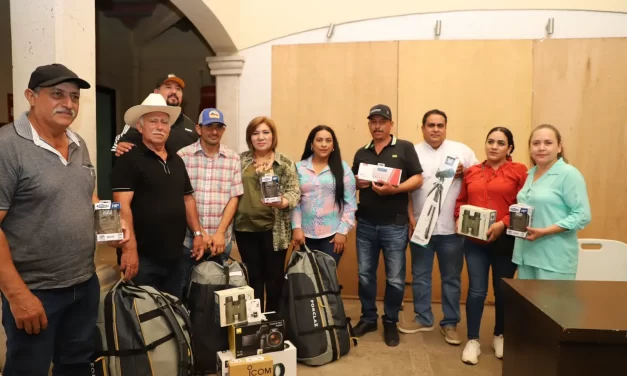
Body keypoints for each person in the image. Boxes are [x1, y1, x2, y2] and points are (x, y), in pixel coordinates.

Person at [0, 63, 131, 375]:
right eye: (57, 94)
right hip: (36, 291)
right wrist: (18, 295)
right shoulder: (8, 146)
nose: (69, 104)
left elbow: (87, 196)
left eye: (74, 97)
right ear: (31, 96)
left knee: (76, 364)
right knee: (28, 368)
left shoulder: (77, 142)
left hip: (83, 283)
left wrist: (111, 225)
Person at [111, 93, 206, 298]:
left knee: (173, 316)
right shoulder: (128, 159)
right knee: (145, 320)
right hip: (142, 258)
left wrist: (197, 234)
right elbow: (121, 206)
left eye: (164, 122)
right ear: (140, 126)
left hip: (175, 257)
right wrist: (129, 249)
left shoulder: (176, 160)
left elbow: (187, 198)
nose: (159, 126)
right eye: (153, 121)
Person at [400, 109, 478, 346]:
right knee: (421, 276)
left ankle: (451, 323)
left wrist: (465, 175)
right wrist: (410, 218)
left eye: (440, 125)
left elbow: (478, 183)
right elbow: (405, 191)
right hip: (421, 227)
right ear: (422, 128)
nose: (435, 129)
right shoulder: (411, 152)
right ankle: (424, 318)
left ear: (446, 127)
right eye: (431, 125)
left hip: (451, 229)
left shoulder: (462, 152)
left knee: (451, 278)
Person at [351, 104, 424, 347]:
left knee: (394, 278)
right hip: (366, 225)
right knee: (364, 275)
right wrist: (357, 183)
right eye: (373, 121)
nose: (377, 126)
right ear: (369, 124)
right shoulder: (362, 152)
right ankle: (368, 317)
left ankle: (390, 320)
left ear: (390, 124)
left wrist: (396, 189)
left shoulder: (404, 147)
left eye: (382, 121)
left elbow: (418, 178)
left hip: (395, 225)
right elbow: (354, 181)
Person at [454, 127, 528, 365]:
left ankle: (500, 335)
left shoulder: (519, 171)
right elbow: (462, 200)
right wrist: (458, 217)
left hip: (505, 240)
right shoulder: (472, 171)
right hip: (475, 241)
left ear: (510, 148)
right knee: (476, 290)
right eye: (490, 141)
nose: (494, 146)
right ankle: (473, 340)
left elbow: (523, 206)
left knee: (502, 290)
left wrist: (503, 224)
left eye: (500, 143)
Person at [233, 116, 300, 312]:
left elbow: (294, 191)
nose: (260, 137)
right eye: (255, 133)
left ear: (273, 136)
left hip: (275, 231)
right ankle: (255, 324)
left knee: (274, 280)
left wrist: (282, 202)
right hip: (245, 228)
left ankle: (273, 326)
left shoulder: (284, 162)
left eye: (265, 132)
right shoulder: (239, 160)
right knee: (253, 279)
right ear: (249, 137)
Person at [178, 108, 244, 296]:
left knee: (219, 295)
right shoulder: (183, 156)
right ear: (199, 129)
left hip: (220, 241)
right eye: (209, 127)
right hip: (189, 240)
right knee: (185, 292)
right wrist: (201, 233)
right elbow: (182, 198)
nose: (214, 132)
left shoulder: (233, 159)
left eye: (218, 127)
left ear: (223, 130)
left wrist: (220, 233)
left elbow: (234, 197)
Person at [512, 124, 591, 280]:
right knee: (526, 305)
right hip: (525, 255)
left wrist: (546, 231)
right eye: (536, 143)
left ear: (559, 147)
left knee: (554, 305)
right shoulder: (530, 174)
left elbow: (582, 215)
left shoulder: (568, 174)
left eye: (548, 143)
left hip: (554, 259)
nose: (541, 148)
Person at [291, 125, 357, 265]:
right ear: (312, 144)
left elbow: (350, 204)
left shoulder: (343, 168)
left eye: (328, 140)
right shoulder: (298, 168)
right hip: (304, 235)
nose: (324, 144)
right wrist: (296, 227)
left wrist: (342, 232)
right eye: (319, 140)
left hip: (332, 236)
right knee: (305, 280)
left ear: (333, 145)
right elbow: (294, 202)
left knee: (327, 281)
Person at [111, 73, 198, 156]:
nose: (174, 91)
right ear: (156, 92)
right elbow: (116, 149)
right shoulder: (138, 120)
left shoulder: (191, 126)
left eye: (178, 89)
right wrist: (120, 148)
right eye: (168, 87)